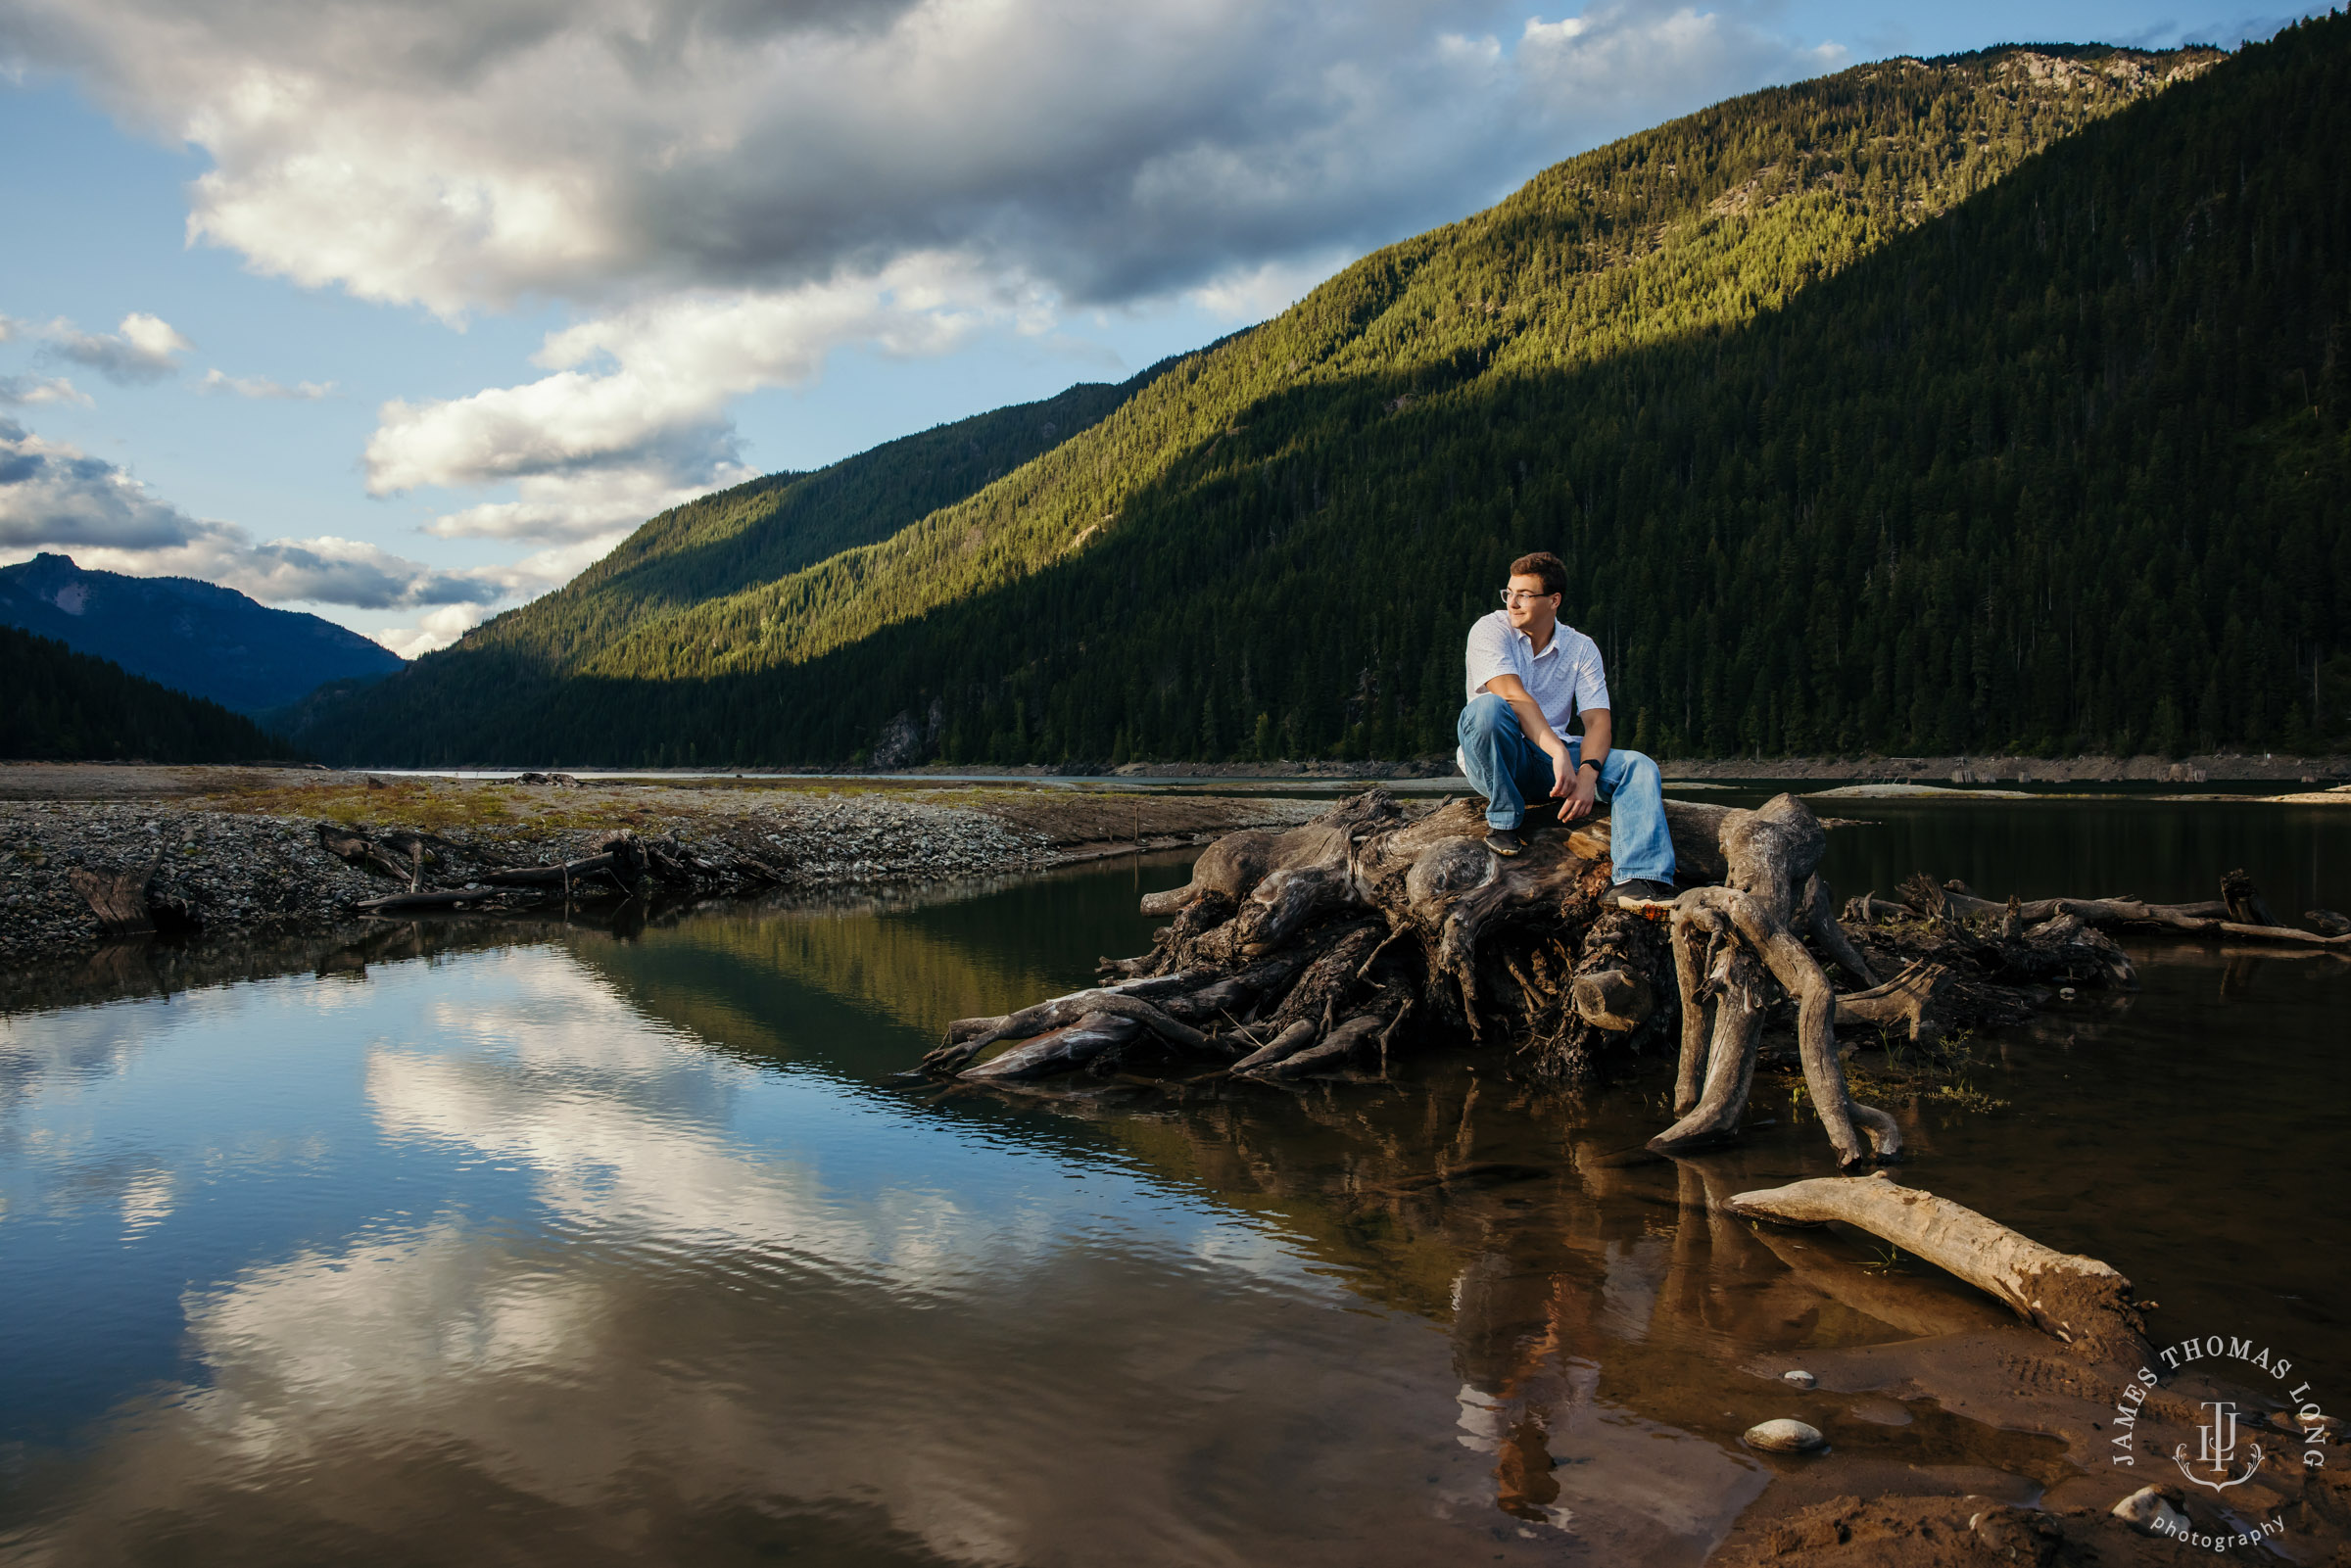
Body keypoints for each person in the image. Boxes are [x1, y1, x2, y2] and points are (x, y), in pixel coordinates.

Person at [1455, 550, 1677, 903]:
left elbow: (1597, 721)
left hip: (1551, 769)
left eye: (1524, 595)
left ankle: (1637, 880)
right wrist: (1558, 750)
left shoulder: (1581, 648)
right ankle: (1504, 820)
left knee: (1638, 767)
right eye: (1508, 593)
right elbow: (1512, 696)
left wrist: (1588, 773)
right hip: (1498, 759)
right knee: (1488, 709)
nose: (1512, 602)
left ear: (1553, 600)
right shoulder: (1489, 630)